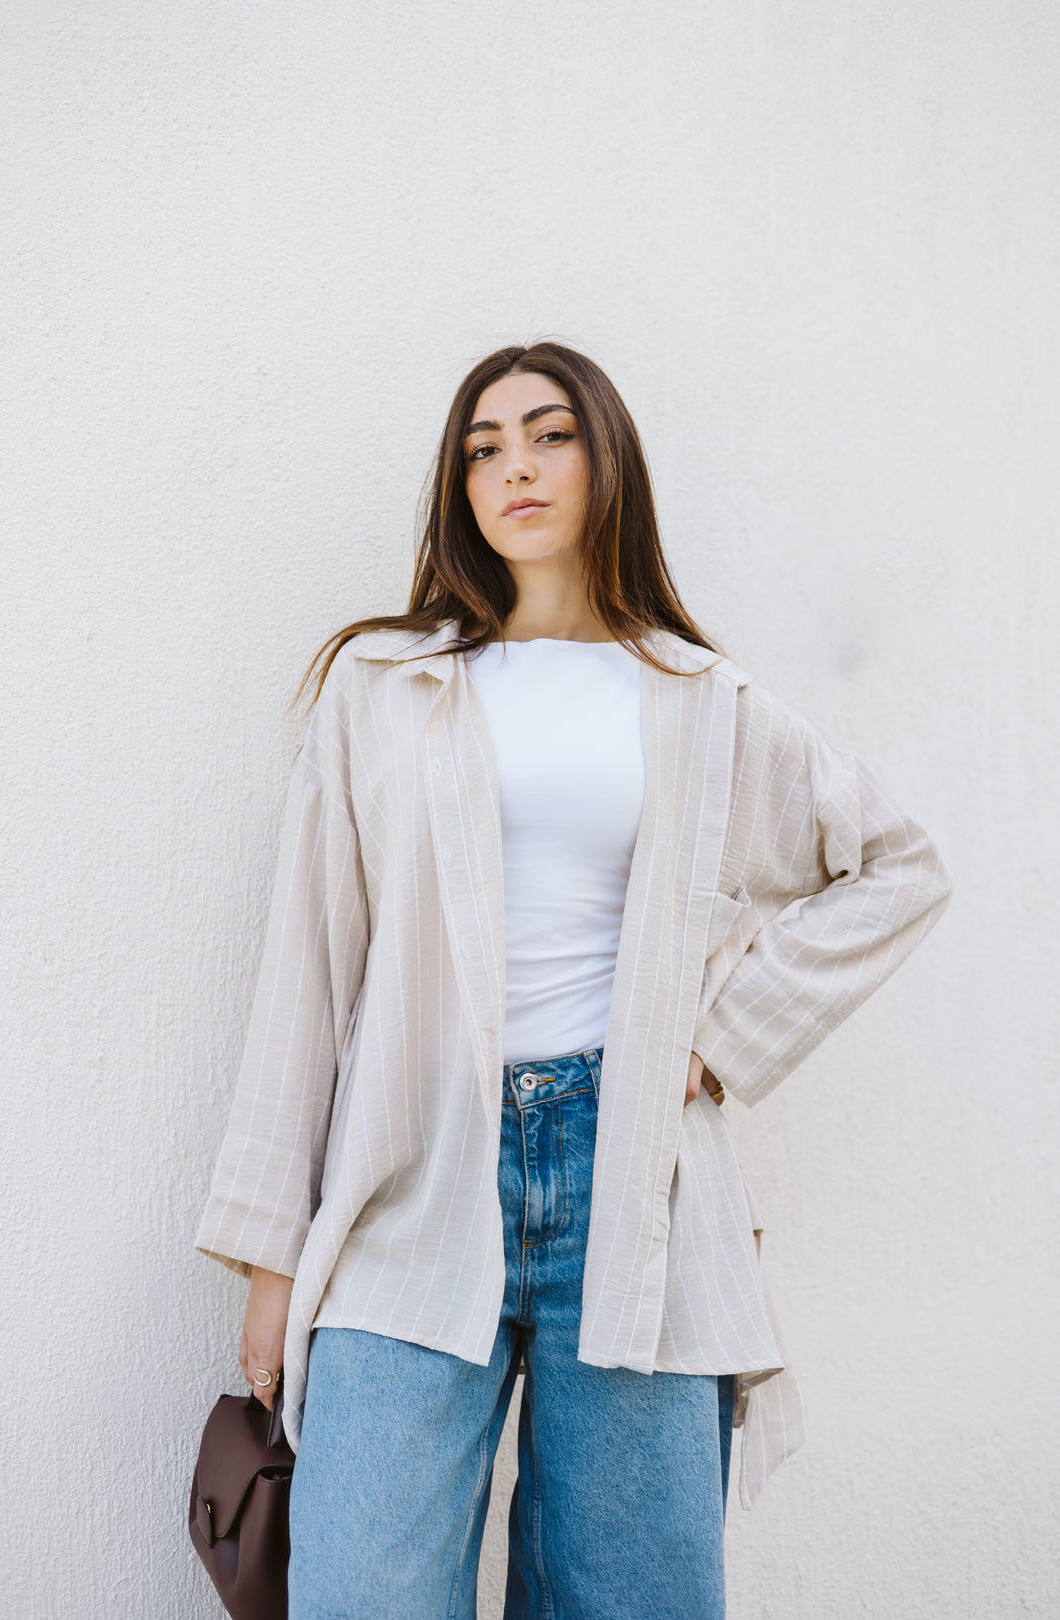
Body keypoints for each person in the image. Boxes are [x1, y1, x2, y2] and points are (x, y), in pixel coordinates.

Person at [194, 340, 952, 1619]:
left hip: (633, 1177)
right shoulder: (383, 690)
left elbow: (898, 865)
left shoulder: (703, 701)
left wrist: (719, 1039)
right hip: (411, 1167)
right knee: (363, 1587)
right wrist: (274, 1263)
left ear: (608, 462)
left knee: (631, 1596)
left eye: (550, 435)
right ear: (460, 489)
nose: (517, 468)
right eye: (483, 449)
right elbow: (306, 974)